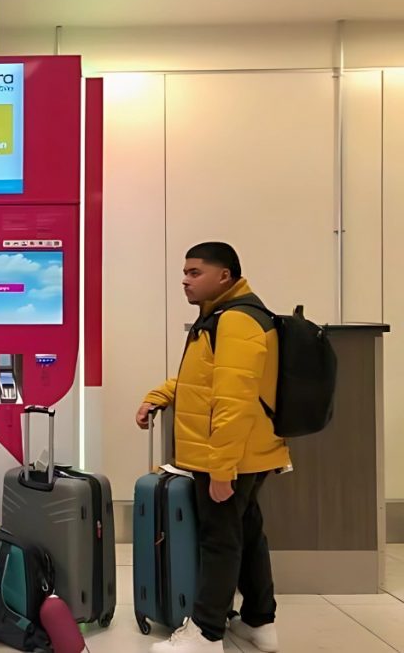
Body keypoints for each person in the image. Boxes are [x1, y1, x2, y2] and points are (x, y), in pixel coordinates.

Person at [136, 242, 289, 653]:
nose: (185, 280)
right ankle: (259, 623)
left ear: (224, 276)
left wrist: (222, 469)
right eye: (184, 272)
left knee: (220, 541)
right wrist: (159, 395)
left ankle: (205, 634)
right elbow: (202, 384)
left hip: (229, 457)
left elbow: (233, 401)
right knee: (248, 534)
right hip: (249, 454)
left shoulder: (236, 322)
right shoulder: (220, 318)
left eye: (194, 272)